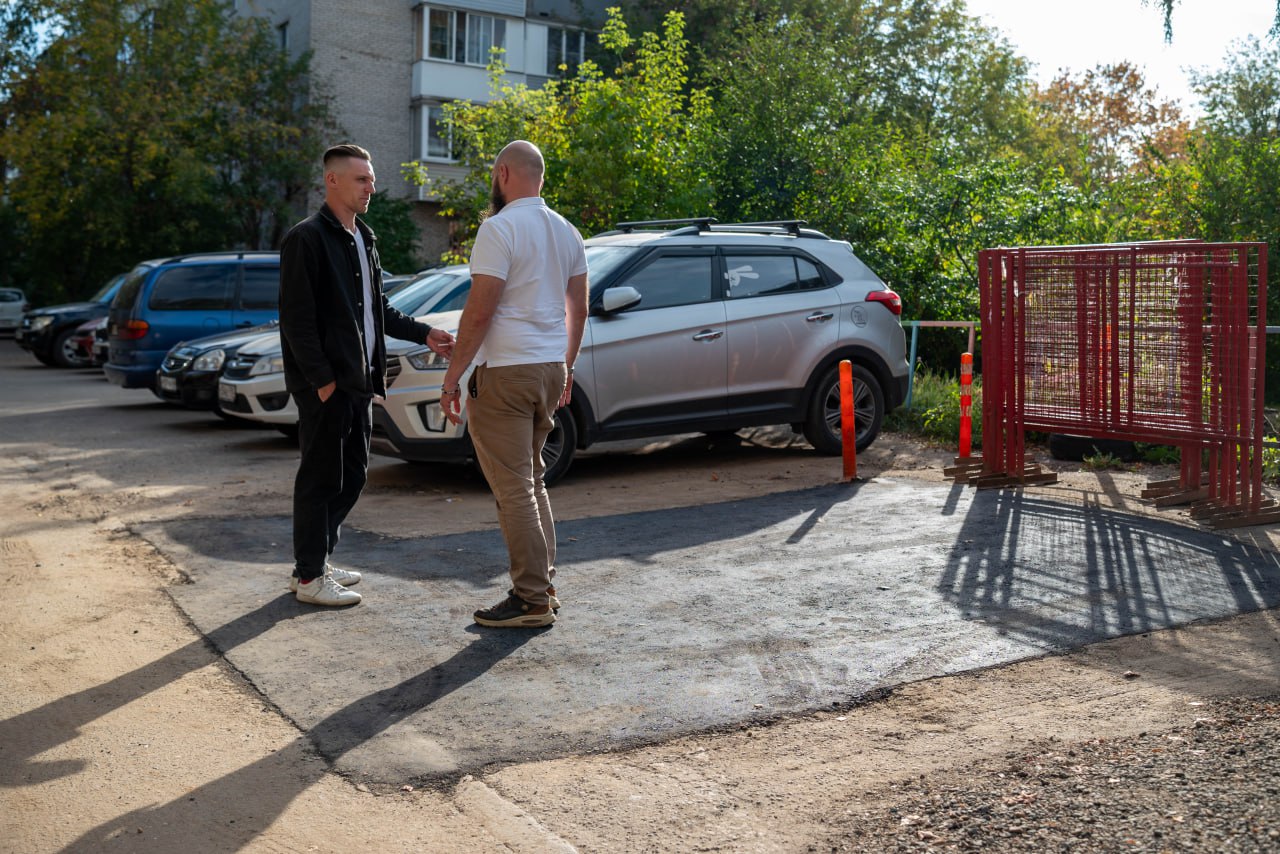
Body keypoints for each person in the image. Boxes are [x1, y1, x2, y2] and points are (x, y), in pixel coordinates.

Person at [280, 143, 454, 606]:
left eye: (372, 179)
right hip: (327, 386)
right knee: (320, 478)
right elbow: (296, 319)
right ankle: (310, 577)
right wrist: (322, 380)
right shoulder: (308, 238)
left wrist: (425, 333)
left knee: (353, 475)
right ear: (332, 180)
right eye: (361, 179)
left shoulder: (363, 237)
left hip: (358, 383)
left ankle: (312, 563)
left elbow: (378, 309)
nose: (370, 187)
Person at [441, 140, 589, 628]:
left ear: (504, 173)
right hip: (548, 367)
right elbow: (579, 309)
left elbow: (480, 309)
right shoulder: (568, 231)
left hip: (505, 371)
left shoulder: (498, 228)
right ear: (539, 178)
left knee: (515, 489)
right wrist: (566, 366)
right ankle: (542, 585)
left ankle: (530, 601)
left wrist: (453, 376)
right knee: (532, 480)